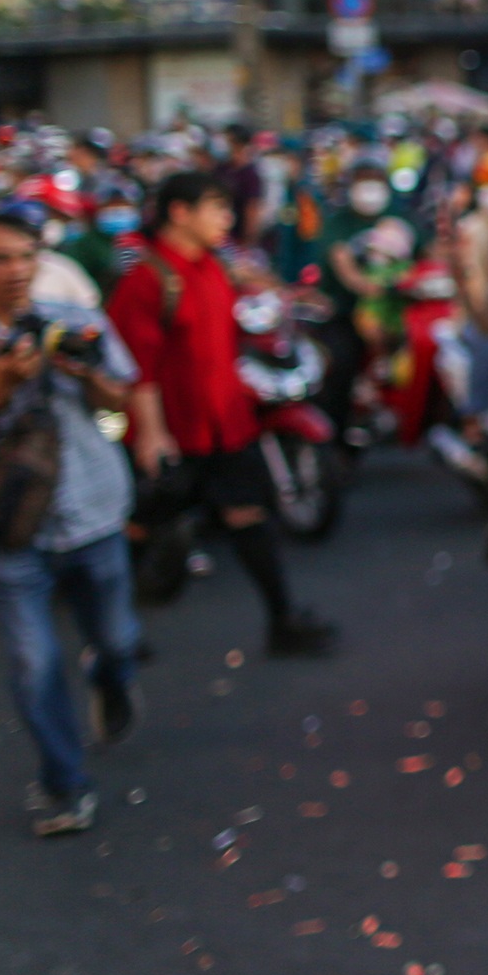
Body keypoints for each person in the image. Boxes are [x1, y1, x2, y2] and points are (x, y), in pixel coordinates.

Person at [107, 170, 337, 658]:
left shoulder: (214, 266)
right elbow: (137, 370)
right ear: (179, 212)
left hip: (227, 424)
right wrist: (151, 434)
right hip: (175, 432)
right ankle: (115, 634)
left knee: (249, 516)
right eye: (217, 209)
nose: (227, 220)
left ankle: (282, 621)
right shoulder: (147, 281)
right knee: (142, 529)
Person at [0, 211, 144, 837]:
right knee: (33, 660)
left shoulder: (78, 324)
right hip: (9, 530)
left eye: (25, 256)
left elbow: (121, 398)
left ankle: (111, 679)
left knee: (119, 638)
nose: (16, 271)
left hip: (92, 508)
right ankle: (65, 785)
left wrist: (86, 374)